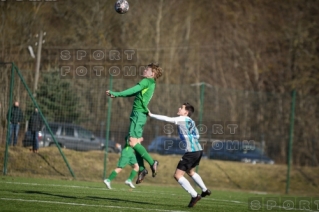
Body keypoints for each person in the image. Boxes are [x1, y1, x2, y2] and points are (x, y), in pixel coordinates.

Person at [106, 63, 163, 183]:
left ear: (152, 73)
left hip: (138, 115)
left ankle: (152, 162)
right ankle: (142, 169)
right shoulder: (151, 83)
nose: (144, 70)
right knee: (135, 142)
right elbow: (135, 93)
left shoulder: (146, 81)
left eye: (147, 69)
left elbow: (133, 89)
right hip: (139, 115)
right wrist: (117, 96)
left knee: (131, 142)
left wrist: (117, 93)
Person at [148, 103, 211, 208]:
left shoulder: (182, 119)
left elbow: (167, 119)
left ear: (185, 112)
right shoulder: (191, 121)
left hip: (191, 151)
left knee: (177, 175)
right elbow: (198, 135)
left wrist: (151, 115)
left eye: (181, 108)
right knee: (190, 172)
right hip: (198, 150)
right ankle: (205, 190)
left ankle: (195, 195)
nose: (179, 108)